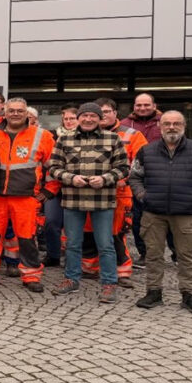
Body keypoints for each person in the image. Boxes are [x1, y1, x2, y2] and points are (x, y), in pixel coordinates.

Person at [129, 111, 192, 315]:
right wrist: (143, 196)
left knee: (186, 256)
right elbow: (134, 176)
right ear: (160, 126)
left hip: (186, 213)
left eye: (176, 124)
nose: (172, 127)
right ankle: (153, 292)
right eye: (167, 123)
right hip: (153, 212)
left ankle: (189, 295)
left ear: (184, 126)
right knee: (153, 254)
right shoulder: (146, 151)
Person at [48, 102, 129, 303]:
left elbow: (124, 168)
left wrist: (105, 179)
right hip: (73, 201)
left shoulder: (113, 138)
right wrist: (68, 178)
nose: (88, 119)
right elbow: (54, 168)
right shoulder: (64, 139)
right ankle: (71, 279)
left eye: (93, 116)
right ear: (79, 118)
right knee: (73, 244)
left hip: (102, 201)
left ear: (100, 118)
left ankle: (109, 283)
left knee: (106, 245)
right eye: (85, 116)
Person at [0, 98, 57, 293]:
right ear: (5, 113)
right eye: (11, 110)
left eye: (19, 111)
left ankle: (31, 276)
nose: (15, 114)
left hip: (26, 197)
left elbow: (55, 166)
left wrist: (49, 190)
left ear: (27, 114)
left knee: (27, 239)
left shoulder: (42, 136)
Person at [78, 98, 148, 287]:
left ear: (115, 113)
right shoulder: (81, 134)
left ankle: (121, 271)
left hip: (119, 193)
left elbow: (141, 165)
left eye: (107, 111)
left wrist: (120, 181)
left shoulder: (132, 135)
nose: (103, 115)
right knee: (88, 231)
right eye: (99, 111)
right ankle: (89, 267)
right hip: (87, 193)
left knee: (116, 233)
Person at [120, 92, 163, 266]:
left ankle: (176, 254)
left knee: (164, 216)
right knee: (137, 218)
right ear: (134, 107)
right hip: (136, 178)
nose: (142, 108)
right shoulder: (125, 125)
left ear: (154, 106)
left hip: (160, 176)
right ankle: (144, 253)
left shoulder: (165, 122)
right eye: (139, 105)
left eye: (146, 105)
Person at [42, 104, 78, 267]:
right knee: (51, 222)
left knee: (74, 226)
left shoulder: (85, 136)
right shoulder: (52, 136)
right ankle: (53, 255)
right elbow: (47, 160)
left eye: (72, 118)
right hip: (54, 189)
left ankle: (73, 257)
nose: (69, 122)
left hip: (76, 189)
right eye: (66, 119)